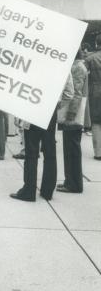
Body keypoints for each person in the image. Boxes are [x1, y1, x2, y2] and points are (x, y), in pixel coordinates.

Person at [10, 74, 74, 202]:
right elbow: (69, 93)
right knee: (50, 151)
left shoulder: (35, 60)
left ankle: (29, 190)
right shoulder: (63, 64)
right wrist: (57, 105)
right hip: (51, 108)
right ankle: (47, 190)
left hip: (32, 106)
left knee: (31, 152)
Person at [57, 49, 88, 193]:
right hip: (72, 115)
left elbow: (77, 92)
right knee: (70, 149)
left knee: (72, 150)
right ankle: (70, 181)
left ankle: (73, 184)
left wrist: (70, 114)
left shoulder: (77, 67)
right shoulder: (77, 66)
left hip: (73, 116)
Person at [84, 34, 101, 160]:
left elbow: (83, 74)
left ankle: (98, 152)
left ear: (96, 44)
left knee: (96, 122)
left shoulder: (90, 58)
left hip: (95, 91)